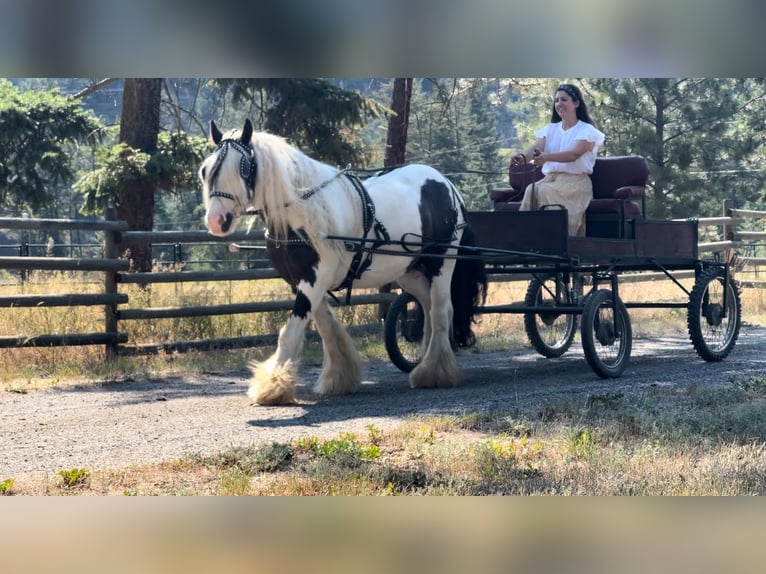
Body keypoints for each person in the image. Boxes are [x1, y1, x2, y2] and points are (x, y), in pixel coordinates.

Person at [511, 83, 605, 236]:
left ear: (576, 103)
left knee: (545, 191)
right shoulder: (550, 129)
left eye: (564, 100)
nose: (559, 104)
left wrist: (547, 157)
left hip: (575, 184)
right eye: (557, 100)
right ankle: (527, 239)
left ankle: (555, 240)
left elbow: (574, 154)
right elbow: (537, 149)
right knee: (532, 189)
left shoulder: (587, 131)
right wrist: (522, 158)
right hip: (550, 180)